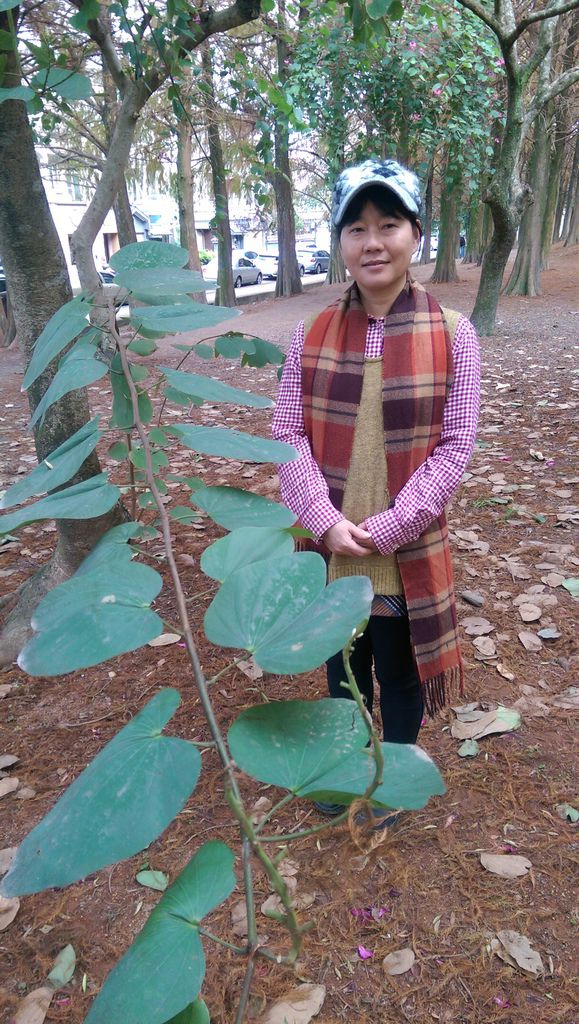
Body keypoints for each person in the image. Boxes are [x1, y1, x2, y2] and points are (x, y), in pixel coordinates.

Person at [272, 159, 480, 821]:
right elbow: (287, 434)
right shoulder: (309, 335)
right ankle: (345, 772)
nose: (372, 242)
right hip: (331, 547)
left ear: (415, 233)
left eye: (387, 224)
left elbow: (455, 446)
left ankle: (391, 780)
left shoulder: (453, 333)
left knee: (398, 673)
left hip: (403, 550)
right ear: (339, 241)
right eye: (355, 228)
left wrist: (390, 526)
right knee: (342, 673)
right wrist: (321, 518)